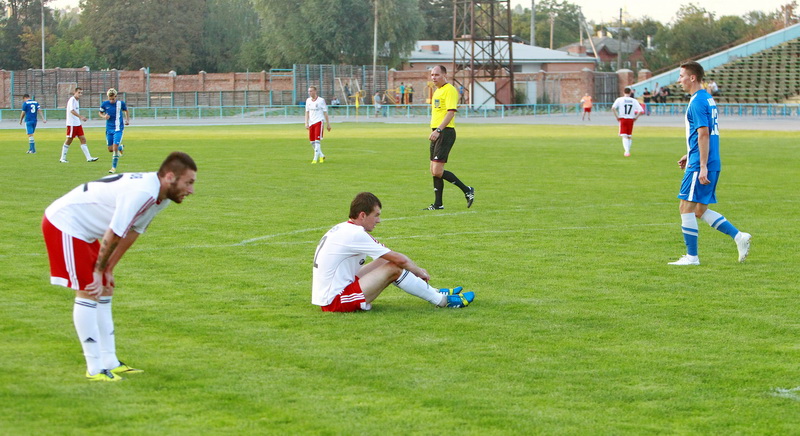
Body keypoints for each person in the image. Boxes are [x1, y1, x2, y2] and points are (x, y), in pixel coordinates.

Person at [42, 151, 197, 381]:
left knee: (105, 288)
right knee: (88, 289)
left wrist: (108, 269)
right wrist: (97, 271)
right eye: (189, 183)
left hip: (86, 230)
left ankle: (110, 362)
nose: (191, 190)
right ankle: (95, 369)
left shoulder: (162, 197)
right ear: (170, 177)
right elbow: (115, 232)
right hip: (66, 222)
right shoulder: (143, 192)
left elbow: (133, 231)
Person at [312, 192, 475, 312]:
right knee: (394, 267)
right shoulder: (355, 234)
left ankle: (434, 291)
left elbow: (388, 255)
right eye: (376, 215)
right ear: (362, 215)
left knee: (385, 260)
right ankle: (442, 300)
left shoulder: (344, 228)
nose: (378, 220)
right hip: (335, 301)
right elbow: (400, 260)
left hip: (334, 290)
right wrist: (419, 271)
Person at [668, 61, 751, 266]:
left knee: (685, 207)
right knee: (699, 210)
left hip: (701, 164)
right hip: (708, 160)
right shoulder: (707, 98)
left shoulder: (697, 101)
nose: (679, 80)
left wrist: (701, 164)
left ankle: (692, 257)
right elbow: (706, 133)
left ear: (692, 77)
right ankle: (739, 236)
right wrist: (690, 153)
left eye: (681, 76)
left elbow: (704, 134)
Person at [425, 65, 475, 210]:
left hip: (445, 132)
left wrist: (438, 130)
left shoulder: (450, 90)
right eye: (432, 75)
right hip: (436, 131)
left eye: (437, 75)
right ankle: (438, 204)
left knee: (437, 170)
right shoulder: (437, 91)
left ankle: (467, 190)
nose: (433, 77)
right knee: (434, 170)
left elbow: (451, 112)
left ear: (445, 75)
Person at [60, 87, 99, 163]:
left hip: (77, 124)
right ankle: (62, 158)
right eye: (79, 92)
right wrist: (80, 117)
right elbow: (72, 111)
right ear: (75, 92)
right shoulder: (72, 100)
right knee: (69, 140)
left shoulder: (77, 101)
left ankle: (89, 158)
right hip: (72, 124)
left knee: (83, 139)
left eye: (81, 93)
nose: (80, 94)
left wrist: (79, 119)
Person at [99, 88, 129, 174]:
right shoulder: (105, 104)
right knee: (110, 149)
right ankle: (120, 147)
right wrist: (104, 116)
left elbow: (126, 110)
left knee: (115, 147)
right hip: (109, 129)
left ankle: (113, 168)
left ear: (116, 96)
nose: (112, 100)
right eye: (110, 98)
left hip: (118, 128)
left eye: (113, 98)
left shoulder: (120, 103)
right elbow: (100, 113)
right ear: (108, 97)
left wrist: (127, 120)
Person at [611, 87, 644, 157]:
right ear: (630, 93)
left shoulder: (620, 99)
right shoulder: (634, 100)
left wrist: (617, 116)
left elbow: (613, 108)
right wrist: (636, 118)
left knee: (624, 135)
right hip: (631, 119)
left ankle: (627, 151)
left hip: (623, 118)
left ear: (623, 92)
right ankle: (628, 150)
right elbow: (641, 110)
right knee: (629, 136)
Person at [305, 86, 331, 164]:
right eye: (309, 91)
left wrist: (328, 124)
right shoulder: (308, 100)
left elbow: (325, 112)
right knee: (312, 142)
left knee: (317, 141)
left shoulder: (321, 100)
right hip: (311, 123)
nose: (309, 93)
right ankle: (321, 155)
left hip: (319, 122)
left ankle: (315, 159)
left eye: (311, 91)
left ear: (315, 91)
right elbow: (307, 112)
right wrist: (306, 122)